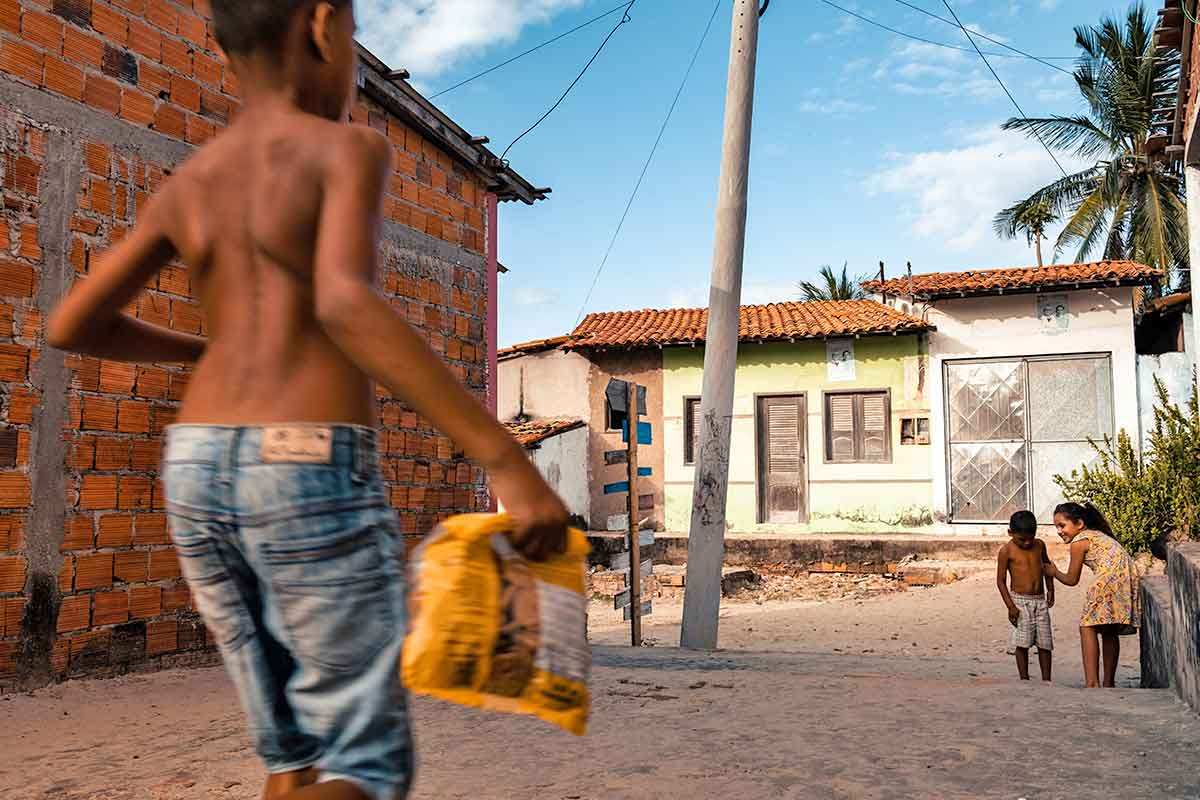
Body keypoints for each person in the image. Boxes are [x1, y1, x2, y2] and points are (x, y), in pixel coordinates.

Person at [44, 2, 569, 798]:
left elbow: (74, 323)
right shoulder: (343, 147)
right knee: (366, 765)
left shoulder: (191, 181)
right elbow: (342, 302)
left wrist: (205, 350)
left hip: (194, 468)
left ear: (222, 47)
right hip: (302, 462)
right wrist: (505, 458)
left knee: (292, 756)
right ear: (323, 26)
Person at [1046, 502, 1140, 689]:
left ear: (1079, 524)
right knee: (1109, 630)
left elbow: (1072, 579)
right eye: (1056, 526)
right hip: (1127, 580)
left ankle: (1092, 683)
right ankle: (1108, 683)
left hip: (1107, 582)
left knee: (1087, 627)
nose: (1059, 531)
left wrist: (1053, 572)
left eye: (1062, 525)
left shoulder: (1079, 542)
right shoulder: (1100, 535)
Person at [996, 510, 1054, 681]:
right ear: (1010, 533)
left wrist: (1051, 589)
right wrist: (1011, 607)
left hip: (1040, 601)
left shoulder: (1040, 545)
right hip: (1020, 602)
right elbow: (1000, 581)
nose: (1027, 543)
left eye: (1031, 537)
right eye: (1022, 539)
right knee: (1022, 643)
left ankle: (1046, 680)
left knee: (1045, 643)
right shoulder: (1006, 551)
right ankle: (1024, 679)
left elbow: (1047, 567)